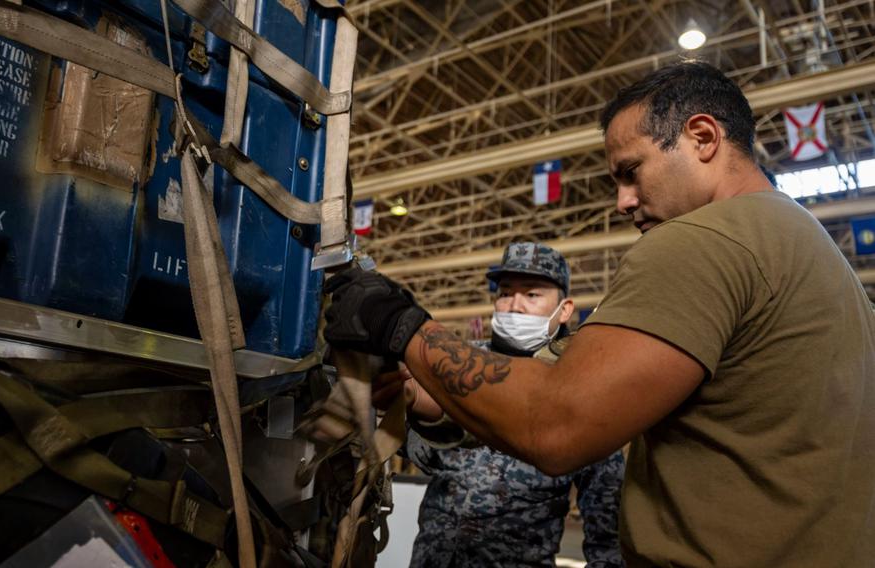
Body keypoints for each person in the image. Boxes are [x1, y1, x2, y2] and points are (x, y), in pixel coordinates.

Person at [323, 61, 875, 567]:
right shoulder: (813, 254)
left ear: (703, 138)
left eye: (632, 171)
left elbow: (555, 423)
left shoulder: (704, 241)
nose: (623, 201)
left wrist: (403, 327)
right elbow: (576, 379)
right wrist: (436, 401)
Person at [373, 242, 625, 568]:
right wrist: (414, 410)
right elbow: (421, 455)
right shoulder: (456, 364)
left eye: (532, 295)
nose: (514, 306)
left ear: (564, 309)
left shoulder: (578, 383)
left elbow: (607, 521)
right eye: (505, 292)